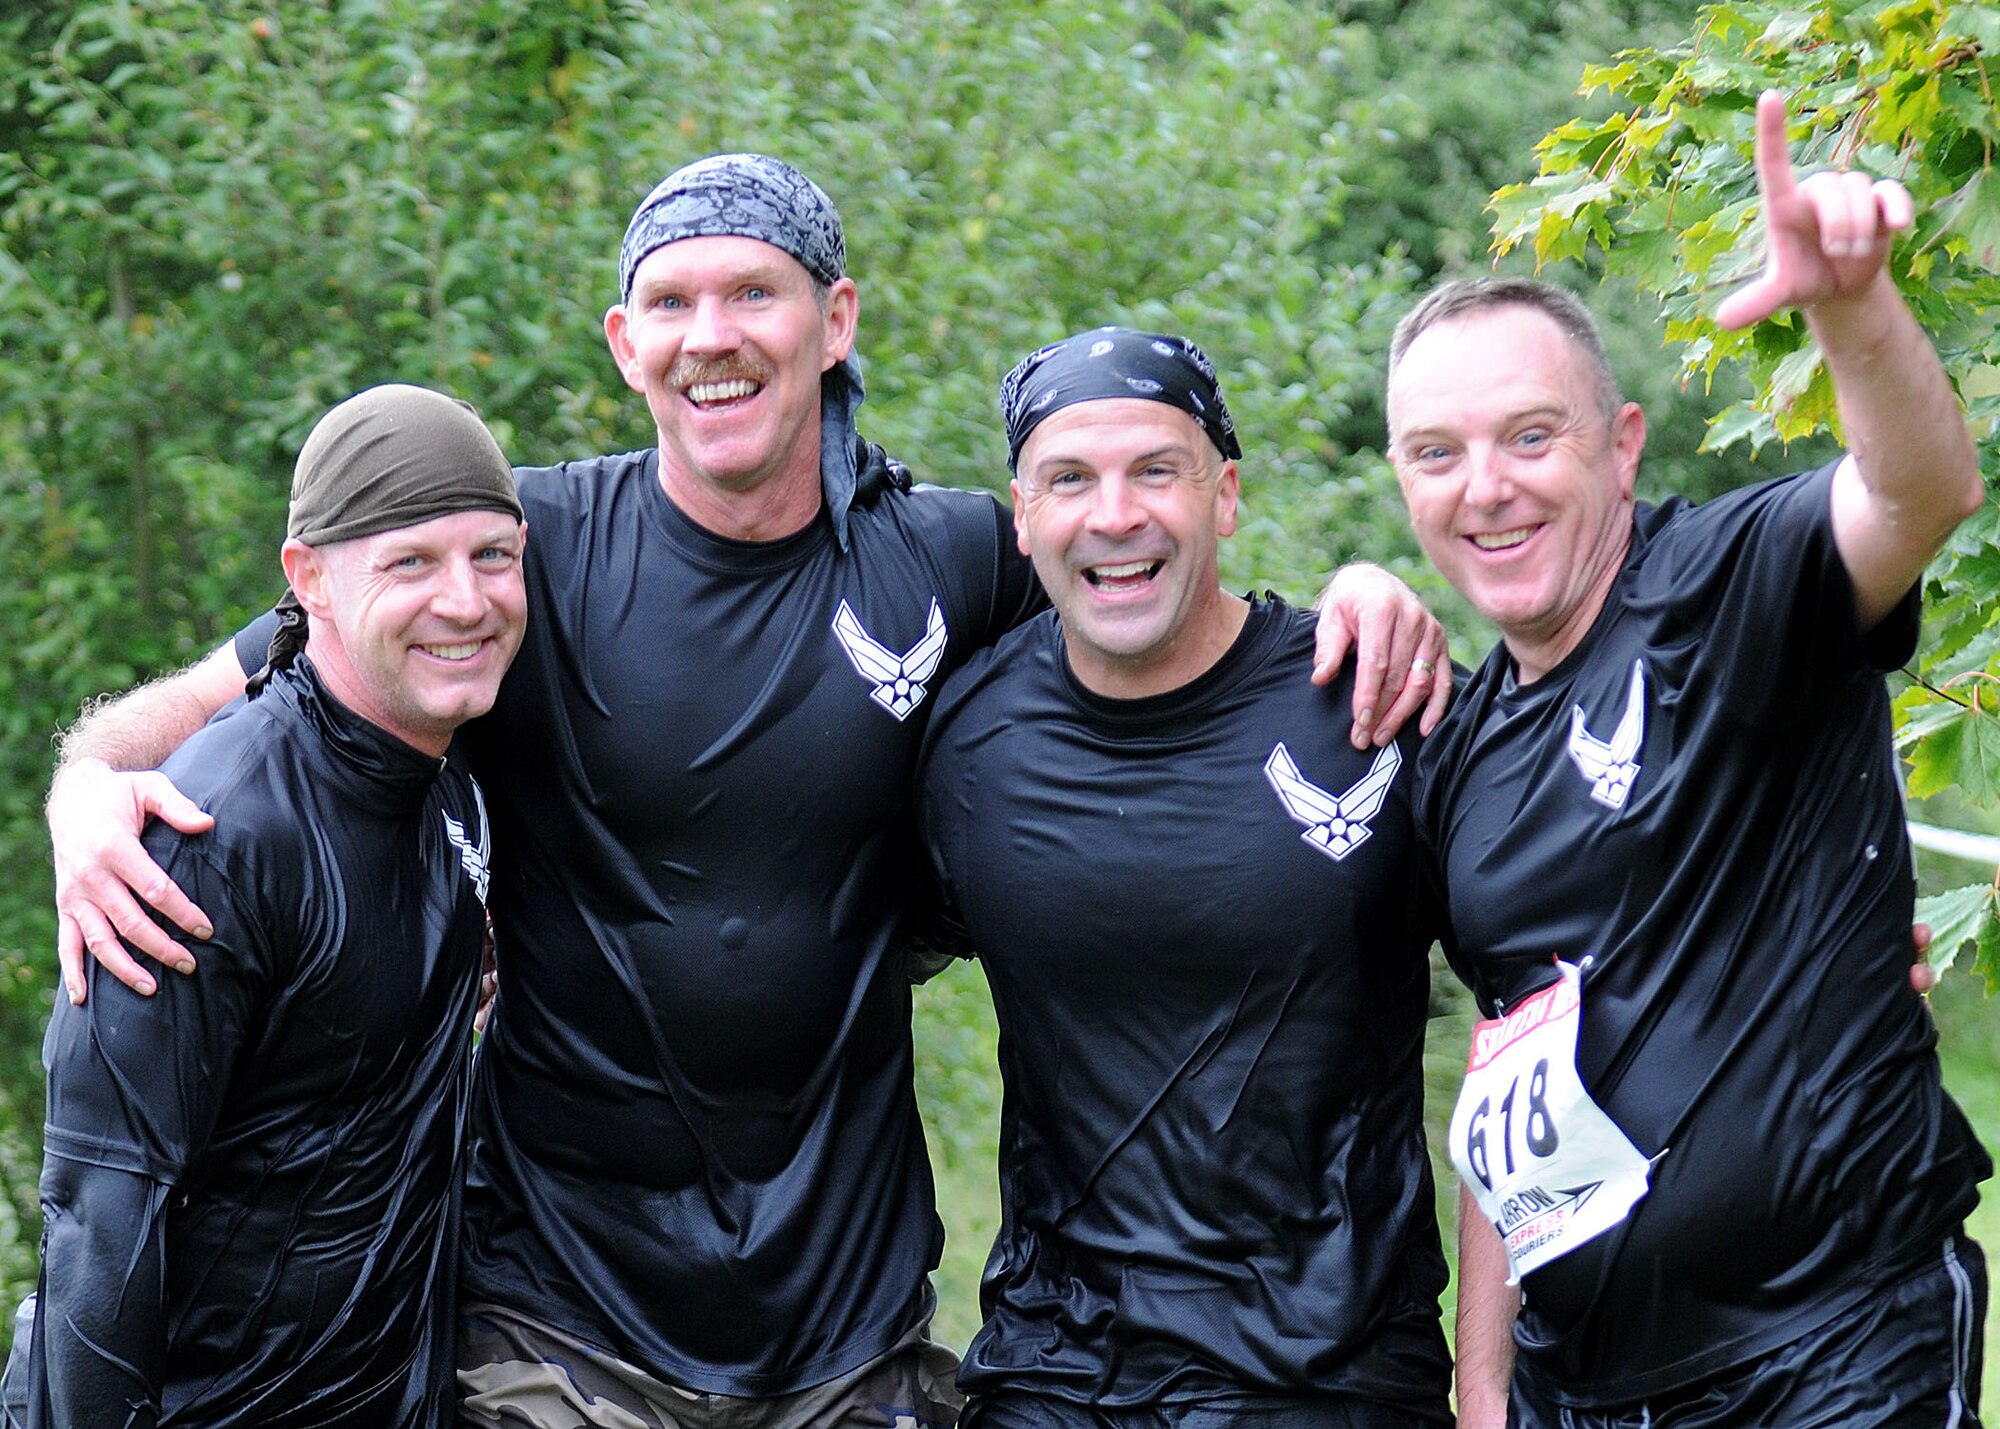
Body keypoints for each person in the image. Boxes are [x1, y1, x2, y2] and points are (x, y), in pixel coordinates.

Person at [41, 155, 1448, 1426]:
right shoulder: (519, 556)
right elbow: (258, 674)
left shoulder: (952, 556)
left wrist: (1359, 592)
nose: (710, 335)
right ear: (626, 343)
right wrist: (89, 781)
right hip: (553, 1321)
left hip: (849, 1335)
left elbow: (1152, 590)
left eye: (752, 293)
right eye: (673, 302)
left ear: (834, 322)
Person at [1390, 92, 1991, 1429]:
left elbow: (1919, 490)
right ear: (1403, 480)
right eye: (1438, 453)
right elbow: (1508, 1074)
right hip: (1585, 1392)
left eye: (1529, 436)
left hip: (1837, 1353)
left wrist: (1853, 309)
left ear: (1620, 446)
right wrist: (1482, 1388)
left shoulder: (1727, 587)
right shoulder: (1458, 757)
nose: (1484, 486)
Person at [917, 328, 1452, 1428]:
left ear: (1225, 496)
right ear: (1021, 516)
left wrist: (1493, 1379)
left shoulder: (1374, 700)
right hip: (1051, 1376)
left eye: (1156, 470)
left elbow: (1554, 989)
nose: (1114, 515)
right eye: (1070, 478)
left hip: (1333, 1383)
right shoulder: (966, 739)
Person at [20, 384, 528, 1427]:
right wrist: (80, 779)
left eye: (492, 556)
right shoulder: (203, 841)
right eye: (410, 563)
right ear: (310, 579)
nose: (465, 600)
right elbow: (95, 1227)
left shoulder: (445, 779)